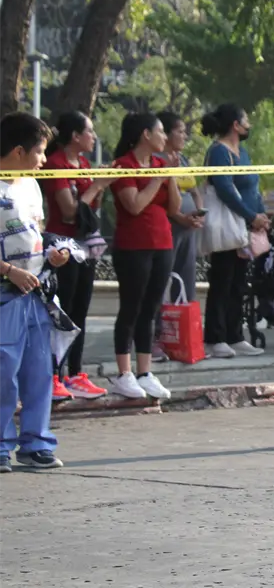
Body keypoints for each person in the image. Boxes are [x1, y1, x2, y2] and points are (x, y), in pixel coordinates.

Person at [0, 112, 70, 471]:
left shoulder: (29, 184)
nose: (45, 160)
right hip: (5, 294)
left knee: (39, 371)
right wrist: (9, 271)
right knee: (2, 372)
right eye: (41, 152)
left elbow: (36, 232)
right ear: (17, 150)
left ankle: (36, 443)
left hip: (36, 291)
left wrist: (51, 255)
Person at [108, 113, 193, 400]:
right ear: (146, 134)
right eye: (160, 131)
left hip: (162, 243)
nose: (165, 137)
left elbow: (174, 207)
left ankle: (145, 371)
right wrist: (159, 177)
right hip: (133, 246)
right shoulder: (123, 166)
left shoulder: (160, 164)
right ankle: (124, 372)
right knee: (131, 308)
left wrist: (169, 178)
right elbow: (134, 205)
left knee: (151, 309)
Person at [40, 111, 109, 400]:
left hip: (86, 245)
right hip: (63, 247)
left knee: (81, 309)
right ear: (75, 136)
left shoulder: (82, 163)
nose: (93, 137)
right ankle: (55, 374)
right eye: (89, 132)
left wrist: (97, 187)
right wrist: (96, 186)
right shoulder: (56, 165)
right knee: (63, 310)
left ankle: (76, 373)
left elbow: (92, 205)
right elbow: (68, 211)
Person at [201, 103, 267, 359]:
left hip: (246, 226)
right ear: (235, 125)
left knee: (239, 283)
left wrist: (260, 216)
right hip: (229, 224)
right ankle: (216, 337)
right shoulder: (219, 152)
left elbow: (252, 185)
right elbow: (225, 189)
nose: (248, 125)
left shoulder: (244, 152)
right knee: (222, 280)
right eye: (245, 119)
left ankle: (235, 334)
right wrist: (250, 215)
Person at [153, 110, 204, 361]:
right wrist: (180, 217)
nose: (184, 136)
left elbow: (194, 190)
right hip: (167, 227)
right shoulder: (156, 160)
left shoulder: (181, 160)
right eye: (179, 131)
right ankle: (155, 336)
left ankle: (186, 337)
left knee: (186, 280)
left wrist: (198, 212)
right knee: (161, 282)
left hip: (187, 229)